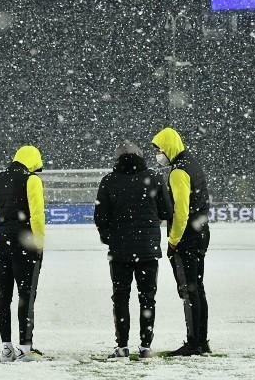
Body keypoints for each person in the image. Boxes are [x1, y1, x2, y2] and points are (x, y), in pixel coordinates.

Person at [94, 140, 173, 360]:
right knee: (147, 297)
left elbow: (99, 217)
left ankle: (121, 346)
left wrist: (110, 237)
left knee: (120, 297)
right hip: (148, 250)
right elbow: (167, 211)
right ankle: (146, 345)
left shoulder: (109, 181)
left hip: (120, 251)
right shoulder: (154, 178)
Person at [152, 127, 211, 356]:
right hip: (201, 232)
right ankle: (201, 340)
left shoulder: (178, 171)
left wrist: (173, 240)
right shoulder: (193, 164)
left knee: (189, 290)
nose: (157, 153)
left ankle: (193, 343)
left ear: (168, 147)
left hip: (187, 237)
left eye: (158, 149)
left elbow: (181, 211)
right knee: (198, 289)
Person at [0, 145, 46, 362]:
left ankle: (6, 347)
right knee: (26, 297)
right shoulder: (32, 181)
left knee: (4, 295)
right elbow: (37, 216)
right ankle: (25, 348)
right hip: (25, 245)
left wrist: (1, 240)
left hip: (2, 246)